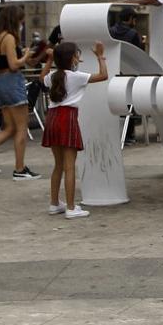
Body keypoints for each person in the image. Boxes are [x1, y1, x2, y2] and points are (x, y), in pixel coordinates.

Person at [0, 5, 50, 180]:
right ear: (15, 20)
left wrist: (33, 55)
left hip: (0, 81)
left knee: (9, 127)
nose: (22, 24)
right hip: (12, 81)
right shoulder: (9, 38)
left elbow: (13, 61)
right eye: (21, 21)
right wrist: (26, 54)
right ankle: (19, 169)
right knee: (22, 127)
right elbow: (14, 64)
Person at [41, 41, 108, 219]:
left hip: (52, 118)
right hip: (67, 118)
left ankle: (54, 203)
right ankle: (71, 207)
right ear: (72, 58)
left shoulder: (53, 76)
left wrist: (49, 60)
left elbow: (43, 78)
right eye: (77, 54)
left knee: (58, 165)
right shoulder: (76, 76)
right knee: (70, 166)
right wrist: (100, 56)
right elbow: (103, 76)